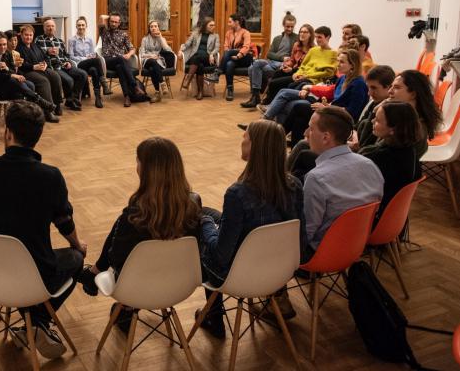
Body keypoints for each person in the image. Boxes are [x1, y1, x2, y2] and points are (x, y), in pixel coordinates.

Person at [0, 101, 86, 359]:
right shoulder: (50, 176)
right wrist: (78, 245)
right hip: (32, 274)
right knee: (76, 259)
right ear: (38, 136)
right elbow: (64, 222)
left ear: (8, 133)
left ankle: (32, 326)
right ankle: (37, 322)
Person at [77, 137, 202, 333]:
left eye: (138, 161)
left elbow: (116, 258)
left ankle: (124, 305)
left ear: (146, 170)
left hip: (136, 287)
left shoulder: (135, 214)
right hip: (179, 284)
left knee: (124, 231)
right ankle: (100, 279)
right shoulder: (193, 203)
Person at [198, 120, 305, 337]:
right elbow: (299, 239)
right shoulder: (294, 184)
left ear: (256, 146)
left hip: (240, 274)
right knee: (206, 212)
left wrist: (206, 225)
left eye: (245, 136)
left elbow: (220, 256)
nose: (241, 140)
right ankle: (277, 298)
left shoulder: (237, 193)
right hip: (280, 269)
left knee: (200, 225)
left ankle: (214, 317)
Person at [287, 64, 396, 180]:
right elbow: (356, 126)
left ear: (388, 88)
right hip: (350, 141)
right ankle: (286, 177)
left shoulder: (387, 112)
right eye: (368, 87)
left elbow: (355, 118)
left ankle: (286, 180)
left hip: (354, 156)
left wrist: (352, 143)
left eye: (374, 88)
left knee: (304, 149)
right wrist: (354, 135)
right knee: (303, 140)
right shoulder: (372, 103)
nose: (369, 93)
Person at [303, 106, 383, 252]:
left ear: (326, 137)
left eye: (311, 129)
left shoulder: (316, 178)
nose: (306, 133)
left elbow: (307, 232)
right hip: (358, 243)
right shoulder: (369, 164)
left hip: (325, 252)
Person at [260, 50, 367, 144]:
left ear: (352, 65)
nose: (338, 65)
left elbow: (352, 112)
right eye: (338, 61)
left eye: (342, 62)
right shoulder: (343, 78)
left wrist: (326, 108)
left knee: (298, 106)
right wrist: (322, 100)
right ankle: (291, 147)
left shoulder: (358, 84)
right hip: (331, 112)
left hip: (341, 119)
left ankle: (277, 137)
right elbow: (332, 94)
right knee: (299, 118)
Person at [359, 101, 422, 220]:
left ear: (393, 129)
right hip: (393, 218)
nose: (372, 121)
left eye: (377, 120)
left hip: (371, 218)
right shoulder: (410, 151)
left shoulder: (378, 158)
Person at [0, 31, 58, 122]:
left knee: (30, 84)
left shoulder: (7, 53)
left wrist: (9, 69)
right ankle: (38, 100)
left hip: (7, 86)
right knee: (12, 80)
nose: (3, 47)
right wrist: (11, 74)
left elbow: (12, 71)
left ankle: (28, 117)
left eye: (4, 44)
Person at [261, 26, 337, 106]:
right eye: (316, 37)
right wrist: (296, 73)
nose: (317, 39)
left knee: (287, 85)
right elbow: (302, 65)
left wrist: (305, 75)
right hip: (300, 73)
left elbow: (328, 73)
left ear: (328, 37)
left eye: (320, 37)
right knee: (278, 74)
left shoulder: (333, 53)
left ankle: (273, 104)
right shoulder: (311, 50)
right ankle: (270, 102)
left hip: (311, 79)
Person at [241, 11, 298, 108]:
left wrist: (285, 60)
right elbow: (269, 54)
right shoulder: (277, 38)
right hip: (272, 62)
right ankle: (256, 96)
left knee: (252, 68)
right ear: (283, 25)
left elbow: (295, 56)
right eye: (287, 26)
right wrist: (281, 57)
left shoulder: (296, 39)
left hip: (282, 65)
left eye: (292, 27)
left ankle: (255, 96)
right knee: (256, 63)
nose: (290, 29)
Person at [36, 18, 87, 111]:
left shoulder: (59, 40)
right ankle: (71, 101)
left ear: (55, 28)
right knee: (69, 80)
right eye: (48, 26)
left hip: (64, 65)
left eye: (52, 26)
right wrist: (47, 51)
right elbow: (36, 55)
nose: (50, 28)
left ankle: (71, 99)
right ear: (44, 28)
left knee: (83, 74)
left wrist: (68, 62)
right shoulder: (38, 40)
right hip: (52, 67)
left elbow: (66, 55)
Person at [388, 69, 443, 156]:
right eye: (391, 87)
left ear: (413, 94)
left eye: (397, 87)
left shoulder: (411, 128)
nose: (389, 91)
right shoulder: (408, 119)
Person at [98, 12, 145, 107]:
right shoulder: (104, 32)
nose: (113, 24)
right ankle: (134, 86)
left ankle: (127, 97)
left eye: (116, 22)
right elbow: (101, 17)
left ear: (119, 23)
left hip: (120, 62)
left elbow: (132, 49)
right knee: (121, 58)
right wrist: (110, 16)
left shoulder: (123, 34)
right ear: (109, 21)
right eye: (112, 21)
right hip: (108, 61)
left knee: (120, 67)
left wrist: (129, 54)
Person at [17, 24, 65, 115]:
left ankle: (57, 104)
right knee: (43, 81)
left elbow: (45, 57)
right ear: (21, 35)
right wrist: (33, 67)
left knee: (55, 76)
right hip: (28, 71)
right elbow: (20, 64)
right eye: (26, 35)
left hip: (41, 69)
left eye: (30, 35)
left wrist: (45, 64)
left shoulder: (35, 46)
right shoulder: (18, 48)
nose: (28, 37)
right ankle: (48, 111)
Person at [68, 16, 110, 108]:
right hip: (79, 64)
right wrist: (84, 58)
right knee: (97, 60)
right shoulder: (72, 40)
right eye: (79, 25)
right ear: (76, 26)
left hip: (90, 64)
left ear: (86, 26)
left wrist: (91, 57)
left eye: (83, 25)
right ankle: (104, 83)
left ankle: (98, 98)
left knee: (94, 70)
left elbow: (93, 53)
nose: (81, 27)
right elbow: (71, 56)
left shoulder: (90, 39)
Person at [178, 17, 220, 100]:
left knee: (197, 57)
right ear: (205, 25)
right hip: (195, 58)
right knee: (199, 65)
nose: (213, 27)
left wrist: (212, 54)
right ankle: (200, 91)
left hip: (208, 58)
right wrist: (180, 50)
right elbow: (187, 44)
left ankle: (188, 79)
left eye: (214, 25)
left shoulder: (215, 36)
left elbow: (217, 48)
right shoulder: (195, 33)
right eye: (211, 25)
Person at [219, 13, 253, 101]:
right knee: (229, 64)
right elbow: (226, 46)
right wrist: (231, 54)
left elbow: (246, 47)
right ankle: (230, 90)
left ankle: (219, 71)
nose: (228, 24)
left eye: (230, 22)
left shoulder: (246, 32)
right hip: (232, 58)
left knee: (230, 52)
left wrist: (238, 56)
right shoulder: (228, 33)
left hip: (245, 57)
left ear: (237, 22)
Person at [139, 20, 173, 102]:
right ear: (149, 29)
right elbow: (142, 54)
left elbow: (168, 50)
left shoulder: (161, 39)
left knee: (152, 69)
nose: (153, 28)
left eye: (155, 26)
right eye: (151, 27)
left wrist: (160, 37)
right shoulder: (145, 39)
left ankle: (157, 93)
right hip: (147, 60)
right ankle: (162, 82)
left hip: (158, 61)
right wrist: (151, 56)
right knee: (152, 61)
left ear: (158, 28)